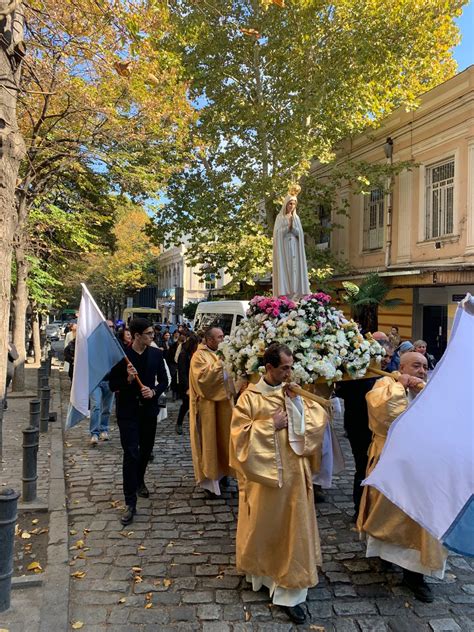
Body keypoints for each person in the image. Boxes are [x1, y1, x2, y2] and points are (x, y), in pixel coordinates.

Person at [230, 343, 328, 625]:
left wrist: (297, 405)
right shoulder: (249, 398)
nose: (289, 372)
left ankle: (291, 591)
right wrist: (268, 425)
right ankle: (263, 575)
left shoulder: (295, 392)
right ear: (269, 368)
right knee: (266, 526)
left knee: (294, 528)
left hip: (295, 476)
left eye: (291, 366)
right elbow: (238, 439)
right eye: (284, 367)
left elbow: (316, 422)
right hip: (264, 481)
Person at [357, 352, 447, 602]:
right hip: (391, 462)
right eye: (416, 365)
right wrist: (400, 387)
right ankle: (385, 556)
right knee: (387, 514)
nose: (421, 371)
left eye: (425, 367)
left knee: (420, 520)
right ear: (403, 366)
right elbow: (385, 418)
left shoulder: (430, 391)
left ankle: (415, 575)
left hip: (423, 467)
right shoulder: (385, 385)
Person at [108, 318, 168, 526]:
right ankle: (130, 502)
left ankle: (139, 479)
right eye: (149, 334)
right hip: (128, 412)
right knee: (131, 453)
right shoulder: (122, 358)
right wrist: (128, 380)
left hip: (148, 411)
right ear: (136, 336)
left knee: (145, 451)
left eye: (152, 333)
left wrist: (153, 391)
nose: (153, 337)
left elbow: (164, 380)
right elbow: (112, 385)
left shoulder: (156, 354)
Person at [336, 340, 394, 518]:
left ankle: (376, 509)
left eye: (390, 357)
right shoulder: (359, 375)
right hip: (359, 428)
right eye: (384, 356)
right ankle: (359, 511)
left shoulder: (389, 376)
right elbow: (342, 392)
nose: (386, 360)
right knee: (363, 467)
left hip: (379, 432)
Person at [189, 326, 233, 497]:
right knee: (208, 443)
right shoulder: (198, 356)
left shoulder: (221, 353)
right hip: (206, 408)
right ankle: (210, 482)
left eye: (223, 336)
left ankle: (223, 474)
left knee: (223, 441)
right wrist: (221, 364)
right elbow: (203, 380)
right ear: (208, 340)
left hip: (223, 406)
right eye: (219, 337)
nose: (222, 340)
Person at [272, 186, 310, 298]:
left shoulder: (296, 218)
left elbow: (300, 234)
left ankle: (296, 294)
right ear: (285, 204)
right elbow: (277, 234)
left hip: (295, 246)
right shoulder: (280, 217)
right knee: (287, 268)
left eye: (294, 204)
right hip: (284, 247)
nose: (292, 206)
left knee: (295, 269)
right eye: (290, 203)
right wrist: (287, 228)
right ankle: (286, 293)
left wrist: (293, 228)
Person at [88, 320, 115, 446]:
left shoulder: (115, 344)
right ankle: (94, 433)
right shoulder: (93, 343)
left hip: (110, 381)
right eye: (107, 326)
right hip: (96, 380)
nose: (110, 328)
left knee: (107, 408)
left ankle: (104, 429)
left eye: (112, 326)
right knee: (96, 406)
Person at [175, 334, 199, 435]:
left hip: (195, 383)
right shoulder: (184, 354)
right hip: (186, 384)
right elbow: (182, 372)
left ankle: (194, 422)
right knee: (185, 404)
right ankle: (179, 423)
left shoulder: (196, 353)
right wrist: (187, 387)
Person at [4, 339, 18, 411]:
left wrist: (9, 349)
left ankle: (3, 404)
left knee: (4, 388)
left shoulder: (11, 346)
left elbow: (15, 356)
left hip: (7, 371)